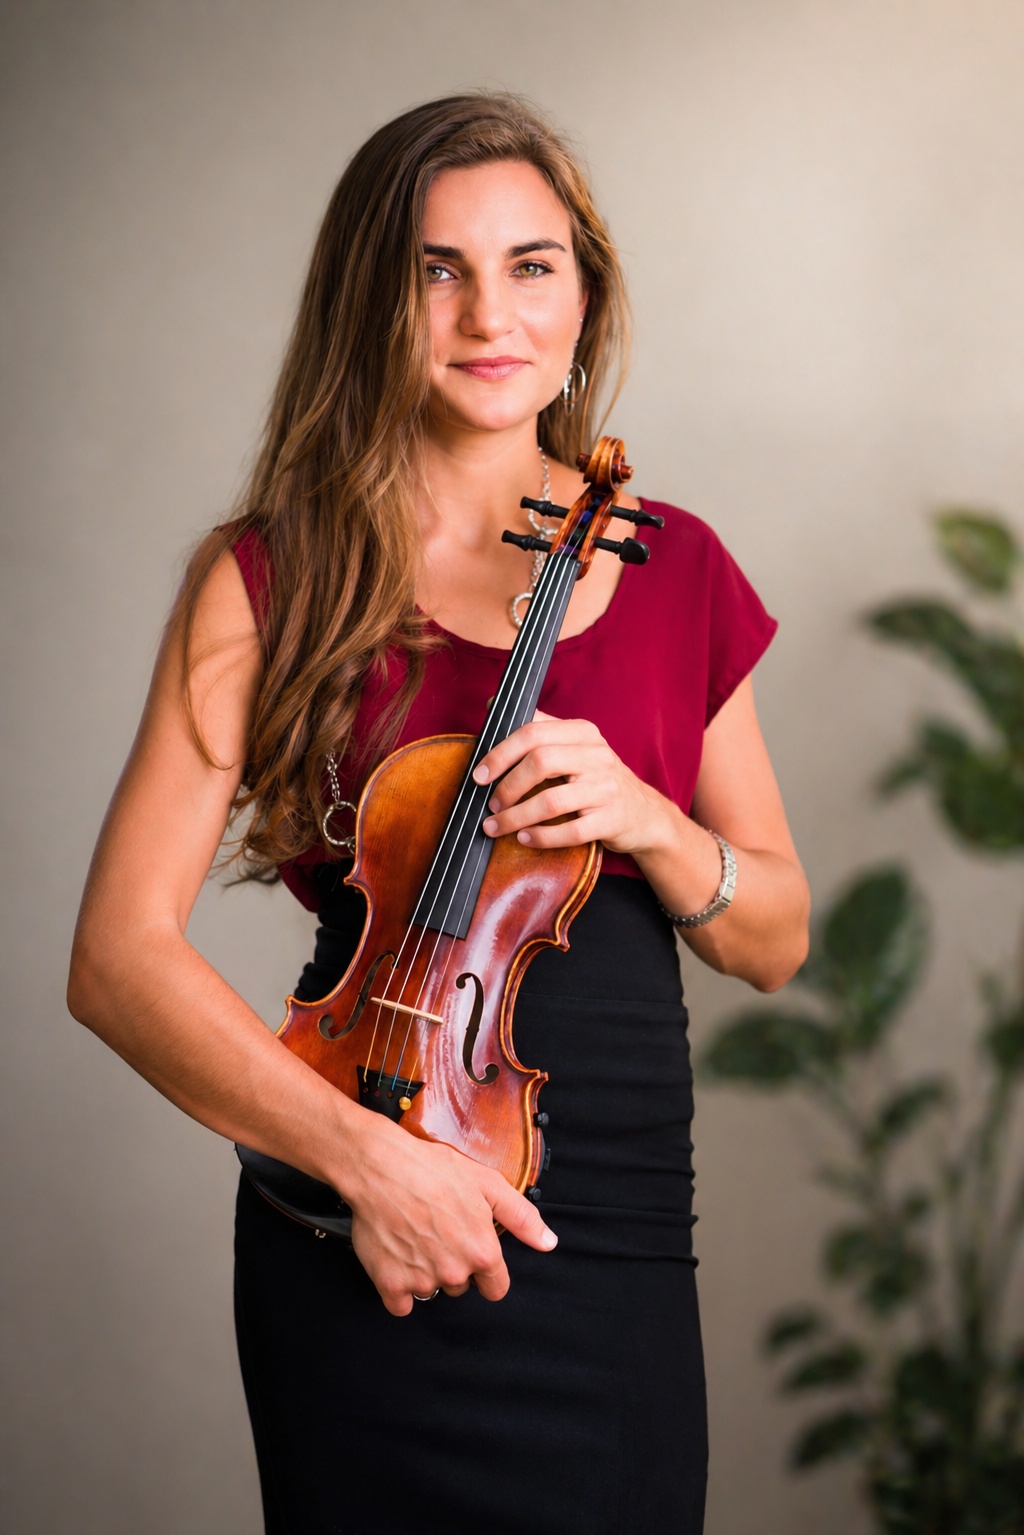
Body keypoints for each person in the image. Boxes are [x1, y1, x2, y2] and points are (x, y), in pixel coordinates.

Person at [68, 93, 810, 1535]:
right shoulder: (269, 576)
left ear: (585, 298)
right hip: (361, 1217)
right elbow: (116, 958)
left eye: (533, 265)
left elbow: (773, 937)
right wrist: (373, 1166)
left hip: (613, 1238)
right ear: (373, 298)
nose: (491, 313)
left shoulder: (679, 572)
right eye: (436, 268)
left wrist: (651, 818)